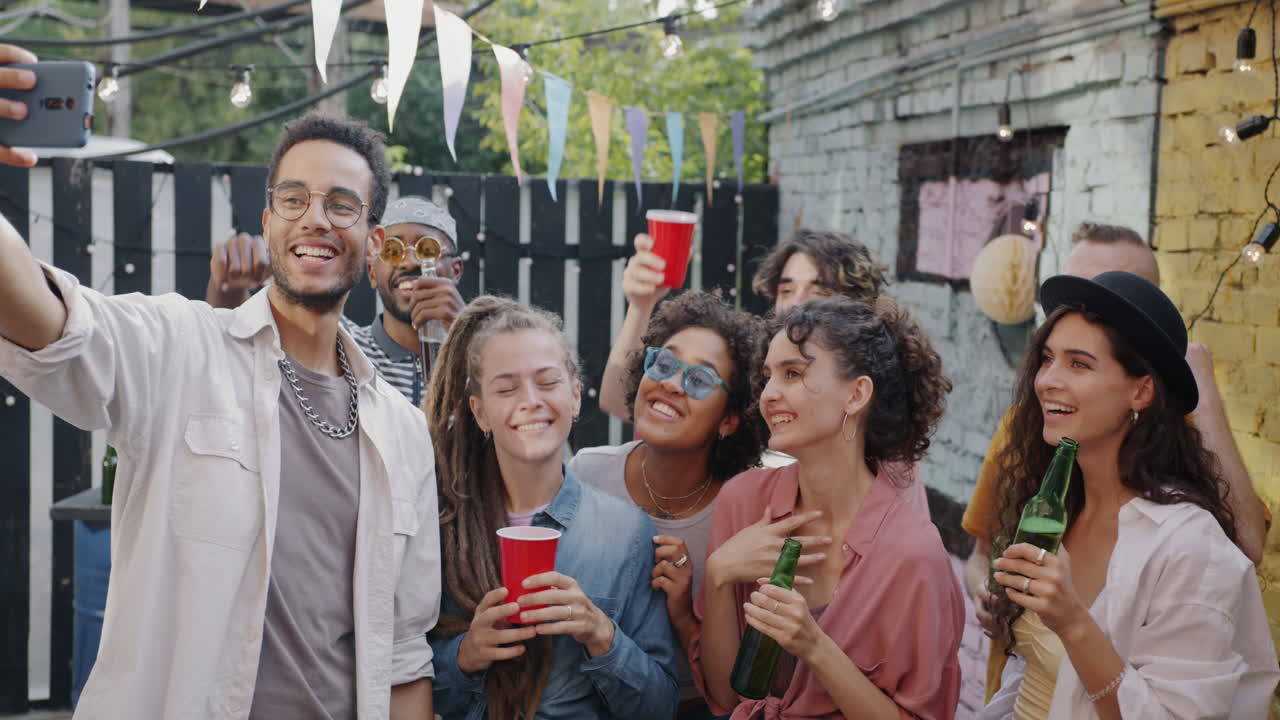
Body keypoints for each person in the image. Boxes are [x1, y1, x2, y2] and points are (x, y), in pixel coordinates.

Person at [0, 108, 441, 719]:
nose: (315, 217)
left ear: (371, 241)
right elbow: (48, 321)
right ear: (269, 221)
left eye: (342, 204)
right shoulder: (181, 347)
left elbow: (404, 653)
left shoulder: (404, 432)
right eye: (294, 198)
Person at [961, 221, 1270, 700]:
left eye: (1079, 363)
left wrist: (1199, 384)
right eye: (1047, 359)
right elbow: (981, 555)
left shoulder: (1186, 537)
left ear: (1143, 389)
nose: (1048, 380)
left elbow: (1245, 545)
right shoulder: (1039, 459)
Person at [691, 297, 964, 719]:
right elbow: (725, 696)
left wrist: (814, 645)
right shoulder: (743, 501)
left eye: (793, 374)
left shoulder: (914, 554)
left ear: (856, 394)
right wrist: (719, 574)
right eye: (767, 377)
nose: (769, 395)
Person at [424, 296, 679, 719]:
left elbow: (659, 707)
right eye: (506, 388)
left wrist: (600, 634)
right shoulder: (441, 527)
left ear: (575, 397)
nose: (530, 400)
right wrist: (465, 656)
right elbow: (398, 677)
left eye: (547, 382)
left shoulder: (626, 533)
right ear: (480, 412)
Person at [567, 290, 767, 720]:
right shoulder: (586, 473)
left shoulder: (744, 514)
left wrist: (683, 615)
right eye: (664, 364)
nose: (672, 383)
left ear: (729, 419)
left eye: (700, 380)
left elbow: (734, 694)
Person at [597, 228, 886, 422]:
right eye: (786, 290)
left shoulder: (883, 396)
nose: (796, 304)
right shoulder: (751, 372)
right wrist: (641, 305)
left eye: (819, 292)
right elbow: (620, 402)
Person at [207, 196, 466, 406]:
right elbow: (236, 352)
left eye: (428, 250)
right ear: (372, 272)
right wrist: (228, 285)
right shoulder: (342, 346)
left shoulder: (478, 351)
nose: (409, 262)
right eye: (392, 251)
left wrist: (466, 334)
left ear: (455, 271)